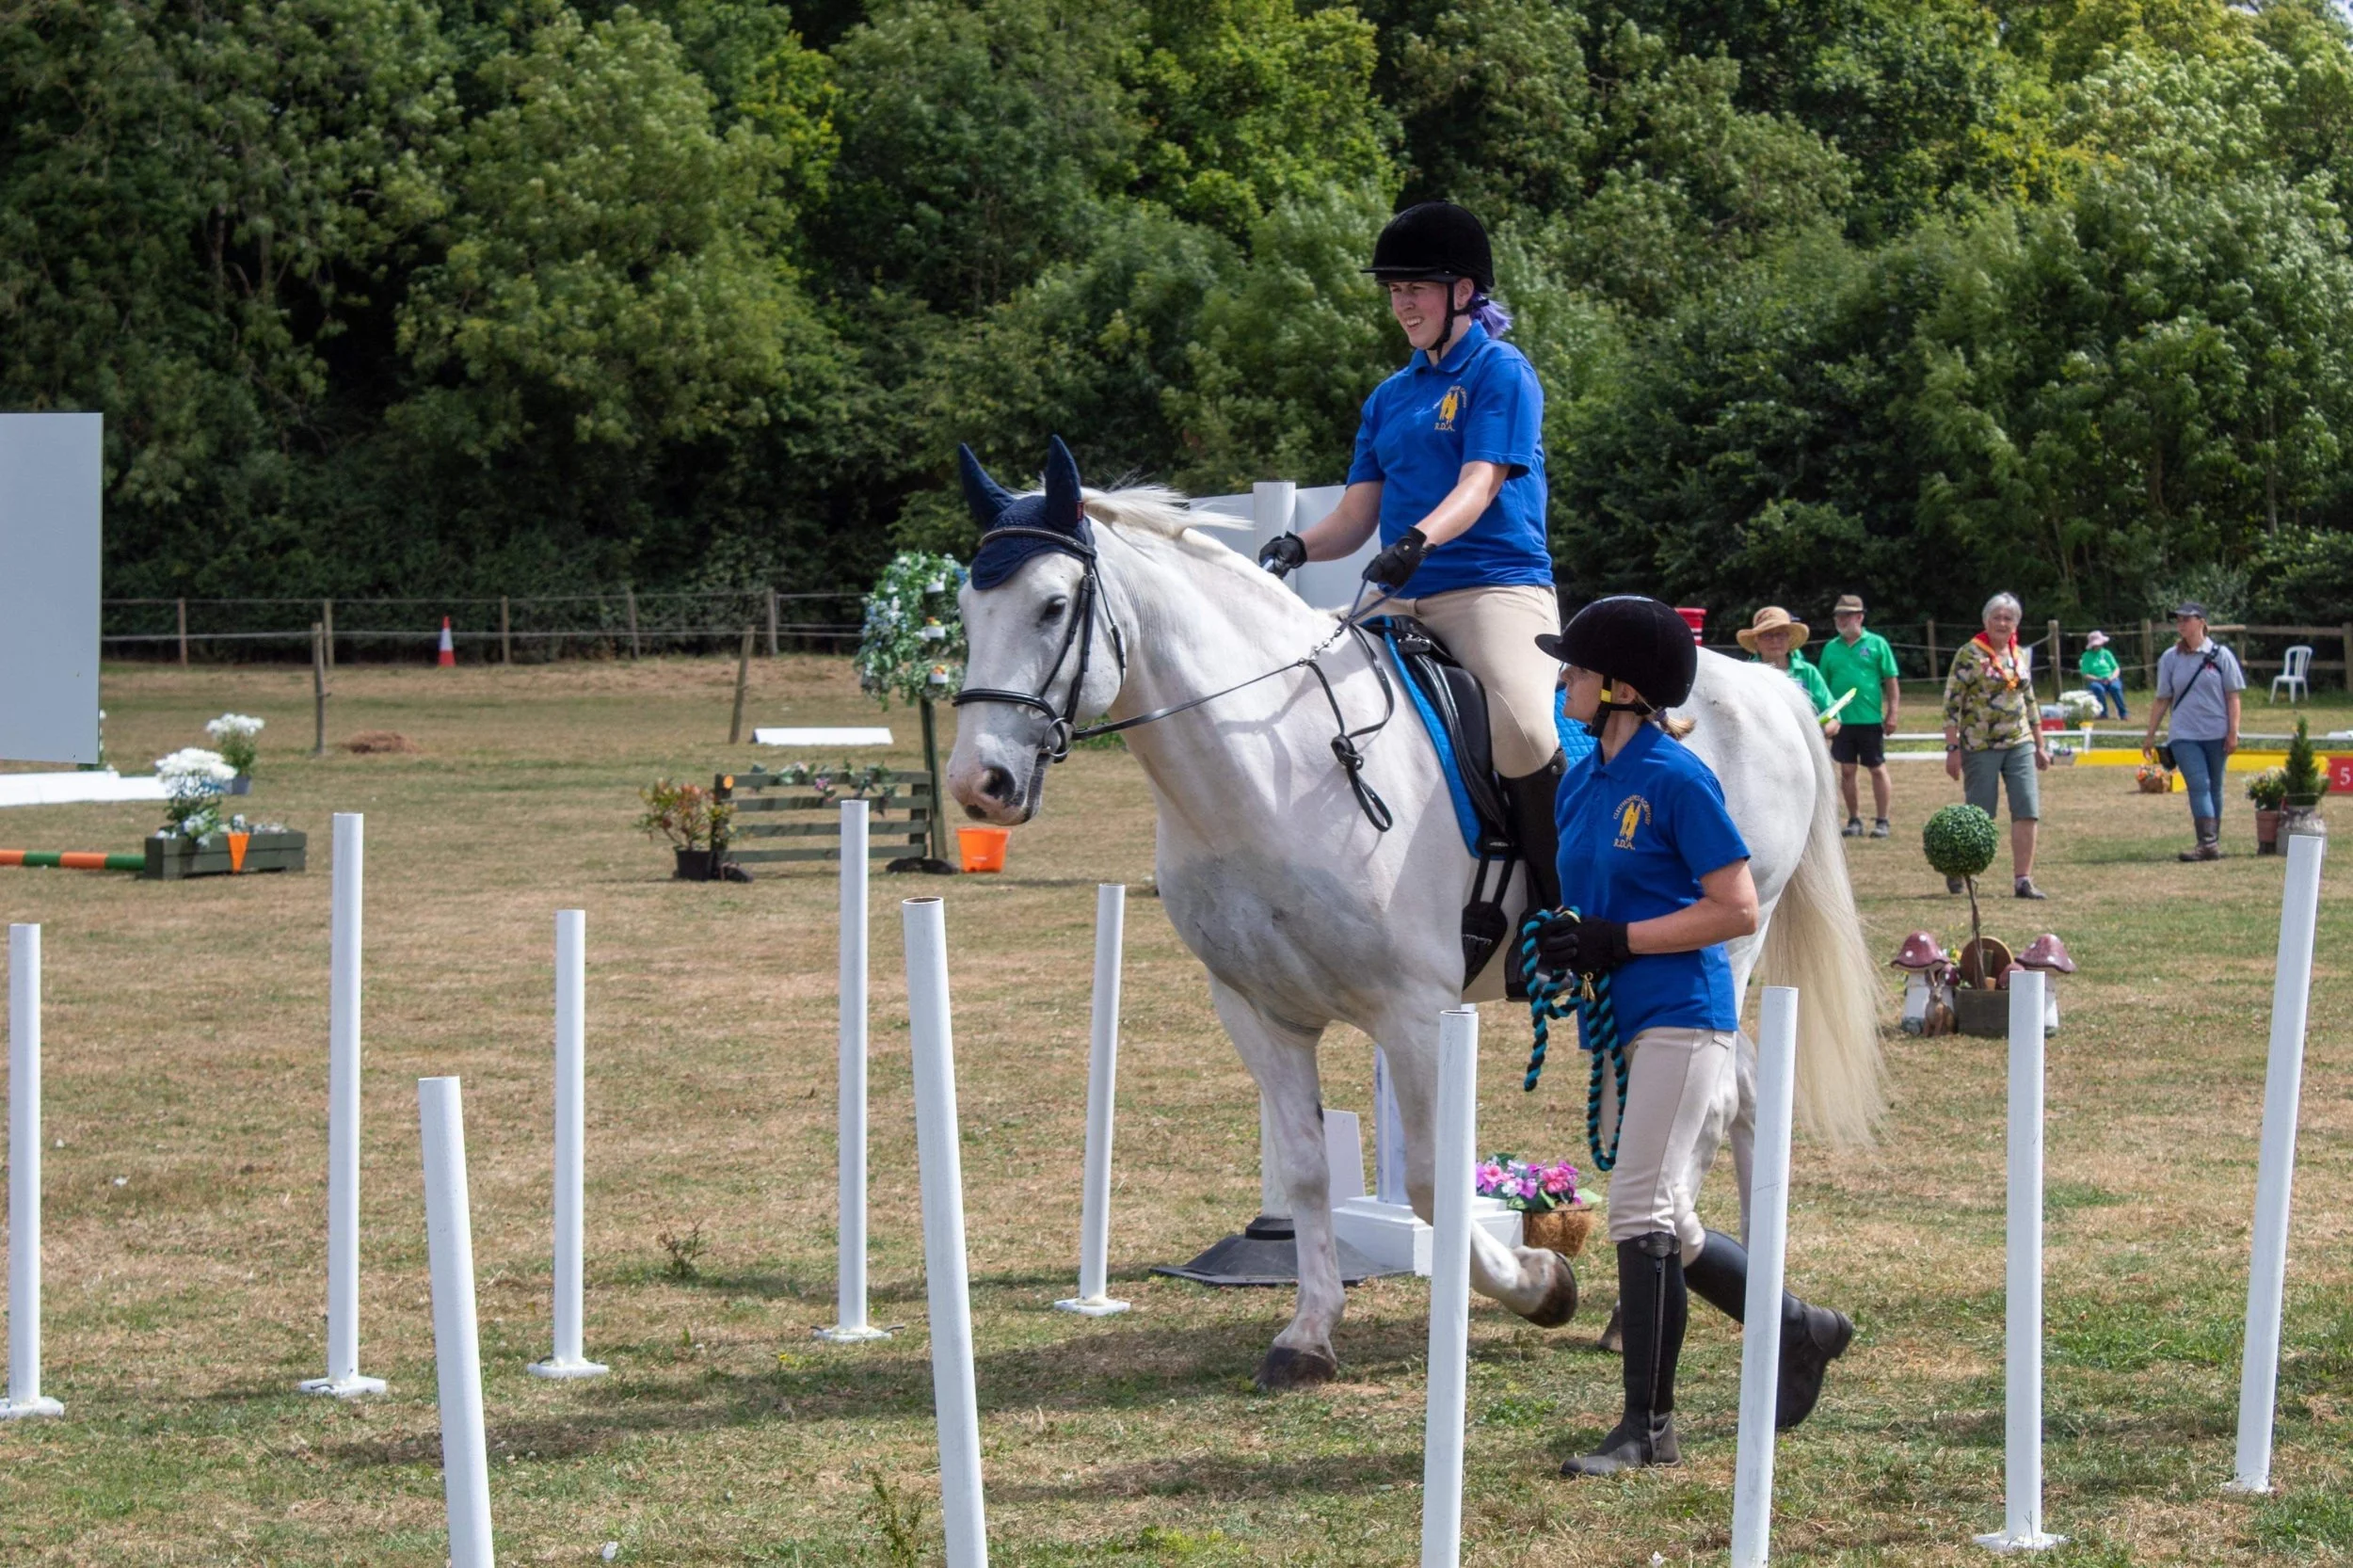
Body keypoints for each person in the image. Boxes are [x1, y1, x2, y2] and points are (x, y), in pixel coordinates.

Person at [1529, 595, 1853, 1478]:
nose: (1564, 681)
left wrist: (1619, 941)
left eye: (1578, 670)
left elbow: (1735, 907)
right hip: (1629, 1017)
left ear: (1622, 688)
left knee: (1638, 1210)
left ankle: (1649, 1428)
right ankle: (1799, 1327)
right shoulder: (1583, 780)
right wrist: (1570, 939)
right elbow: (1600, 894)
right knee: (1669, 1215)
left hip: (1686, 1014)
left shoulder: (1678, 778)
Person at [1257, 200, 1565, 901]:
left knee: (1522, 727)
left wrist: (1418, 540)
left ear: (1464, 293)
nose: (1402, 305)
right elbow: (1355, 515)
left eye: (1415, 289)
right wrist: (1295, 546)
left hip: (1493, 586)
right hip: (1400, 590)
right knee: (1307, 689)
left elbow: (1480, 483)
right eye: (1394, 291)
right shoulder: (1390, 396)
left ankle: (1561, 902)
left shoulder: (1501, 372)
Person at [1942, 592, 2052, 899]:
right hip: (1980, 745)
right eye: (1997, 617)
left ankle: (2023, 880)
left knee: (2027, 809)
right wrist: (1952, 750)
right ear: (1985, 621)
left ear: (2016, 623)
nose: (2003, 623)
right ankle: (1962, 870)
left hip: (2019, 743)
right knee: (1980, 815)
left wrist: (2040, 744)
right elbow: (1951, 705)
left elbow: (2029, 700)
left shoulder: (2020, 655)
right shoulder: (1969, 654)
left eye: (2009, 618)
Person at [2142, 602, 2244, 861]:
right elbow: (2162, 698)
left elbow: (2233, 697)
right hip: (2184, 734)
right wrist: (2150, 734)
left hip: (2217, 731)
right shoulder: (2170, 658)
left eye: (2186, 619)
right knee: (2200, 785)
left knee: (2216, 788)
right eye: (2178, 620)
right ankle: (2207, 842)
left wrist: (2234, 732)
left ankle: (2212, 842)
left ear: (2201, 622)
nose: (2181, 624)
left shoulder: (2221, 655)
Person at [1815, 593, 1902, 838]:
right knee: (1847, 771)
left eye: (1847, 615)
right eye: (1838, 615)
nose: (1842, 620)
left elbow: (1891, 680)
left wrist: (1893, 712)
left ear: (1860, 617)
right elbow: (1822, 687)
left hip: (1871, 719)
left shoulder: (1877, 644)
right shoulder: (1831, 649)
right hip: (1841, 722)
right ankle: (1854, 820)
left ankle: (1882, 820)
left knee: (1877, 768)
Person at [1736, 606, 1839, 732]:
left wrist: (1821, 732)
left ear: (1789, 639)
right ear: (1756, 640)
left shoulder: (1808, 672)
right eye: (1767, 635)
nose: (1775, 640)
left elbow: (1833, 715)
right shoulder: (1745, 674)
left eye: (1781, 634)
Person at [2080, 631, 2127, 720]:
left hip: (2111, 678)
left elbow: (2116, 668)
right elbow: (2085, 674)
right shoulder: (2086, 656)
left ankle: (2123, 713)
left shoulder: (2107, 653)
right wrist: (2098, 679)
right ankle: (2102, 713)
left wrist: (2112, 677)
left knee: (2115, 688)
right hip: (2096, 680)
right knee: (2097, 688)